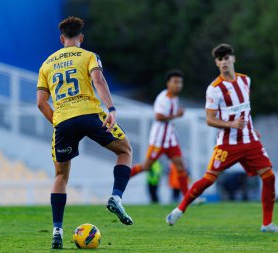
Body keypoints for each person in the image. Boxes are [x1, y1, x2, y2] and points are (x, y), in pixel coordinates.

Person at [166, 43, 278, 233]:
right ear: (216, 63)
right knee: (208, 179)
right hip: (227, 144)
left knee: (269, 176)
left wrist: (252, 129)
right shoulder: (214, 89)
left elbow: (246, 110)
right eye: (220, 59)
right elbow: (209, 120)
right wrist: (230, 125)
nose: (224, 62)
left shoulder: (246, 81)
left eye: (226, 58)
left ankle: (267, 224)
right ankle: (179, 210)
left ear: (233, 59)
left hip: (250, 140)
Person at [36, 16, 134, 249]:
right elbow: (98, 79)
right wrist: (110, 108)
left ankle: (57, 231)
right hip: (91, 115)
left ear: (62, 39)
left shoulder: (47, 64)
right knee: (125, 151)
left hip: (63, 121)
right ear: (81, 37)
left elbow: (41, 102)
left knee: (61, 176)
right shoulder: (88, 56)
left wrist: (58, 122)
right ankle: (116, 196)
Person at [131, 70, 189, 196]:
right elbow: (158, 117)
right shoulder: (164, 98)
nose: (178, 85)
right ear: (168, 83)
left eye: (180, 82)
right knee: (146, 166)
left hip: (170, 139)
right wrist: (176, 115)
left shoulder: (175, 97)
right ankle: (123, 178)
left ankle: (187, 197)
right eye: (175, 82)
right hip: (158, 140)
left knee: (180, 166)